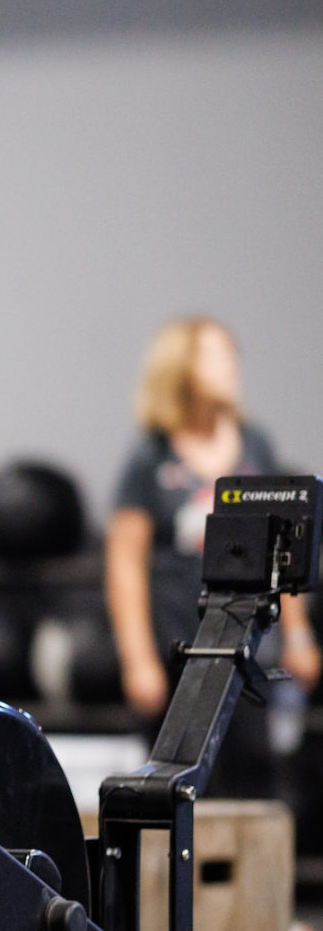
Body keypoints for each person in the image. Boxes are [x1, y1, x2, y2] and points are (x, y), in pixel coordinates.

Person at [105, 316, 320, 796]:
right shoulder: (150, 458)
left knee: (255, 783)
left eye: (231, 356)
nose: (230, 367)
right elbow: (125, 565)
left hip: (247, 655)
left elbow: (289, 547)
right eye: (215, 357)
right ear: (181, 369)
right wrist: (137, 658)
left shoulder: (255, 445)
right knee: (175, 787)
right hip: (178, 655)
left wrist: (300, 636)